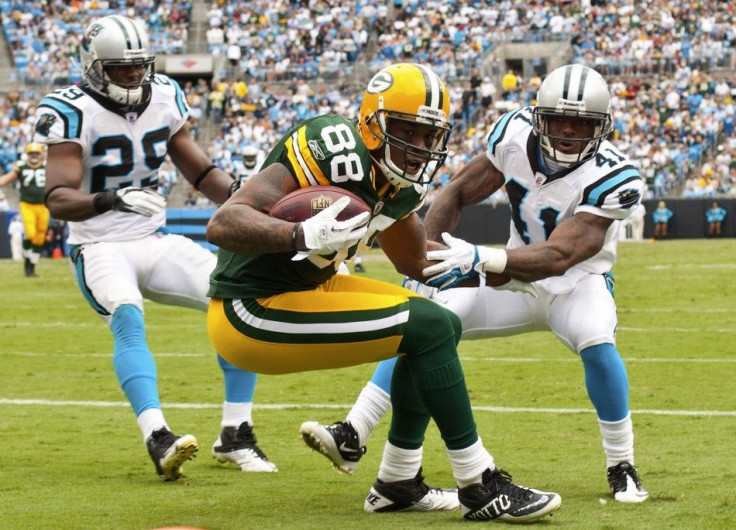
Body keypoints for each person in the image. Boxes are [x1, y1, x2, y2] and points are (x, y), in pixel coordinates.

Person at [206, 62, 561, 523]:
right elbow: (223, 222)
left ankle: (398, 482)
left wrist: (491, 268)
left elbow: (415, 261)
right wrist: (298, 235)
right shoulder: (331, 147)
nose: (419, 148)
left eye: (429, 136)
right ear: (373, 122)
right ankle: (478, 483)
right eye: (408, 131)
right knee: (429, 327)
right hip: (249, 309)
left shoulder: (394, 182)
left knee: (438, 323)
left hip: (307, 286)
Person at [302, 64, 649, 504]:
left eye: (580, 124)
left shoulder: (616, 177)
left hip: (577, 284)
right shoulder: (514, 135)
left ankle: (622, 465)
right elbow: (457, 192)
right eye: (558, 119)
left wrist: (483, 258)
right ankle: (354, 429)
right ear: (537, 116)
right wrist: (423, 259)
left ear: (601, 129)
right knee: (429, 322)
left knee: (597, 340)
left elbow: (563, 254)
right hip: (507, 280)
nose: (566, 131)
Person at [36, 15, 275, 481]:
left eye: (139, 65)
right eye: (120, 68)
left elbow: (201, 173)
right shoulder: (70, 109)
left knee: (236, 298)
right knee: (128, 316)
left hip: (154, 239)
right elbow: (58, 199)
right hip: (100, 244)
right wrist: (110, 197)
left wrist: (242, 195)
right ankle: (158, 436)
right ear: (93, 66)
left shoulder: (164, 94)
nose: (133, 75)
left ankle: (236, 433)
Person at [0, 142, 50, 277]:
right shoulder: (21, 167)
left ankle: (31, 267)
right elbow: (7, 179)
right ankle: (27, 263)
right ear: (27, 154)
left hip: (43, 205)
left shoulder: (47, 167)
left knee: (39, 239)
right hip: (27, 204)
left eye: (36, 153)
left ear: (40, 154)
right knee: (31, 234)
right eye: (31, 153)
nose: (34, 155)